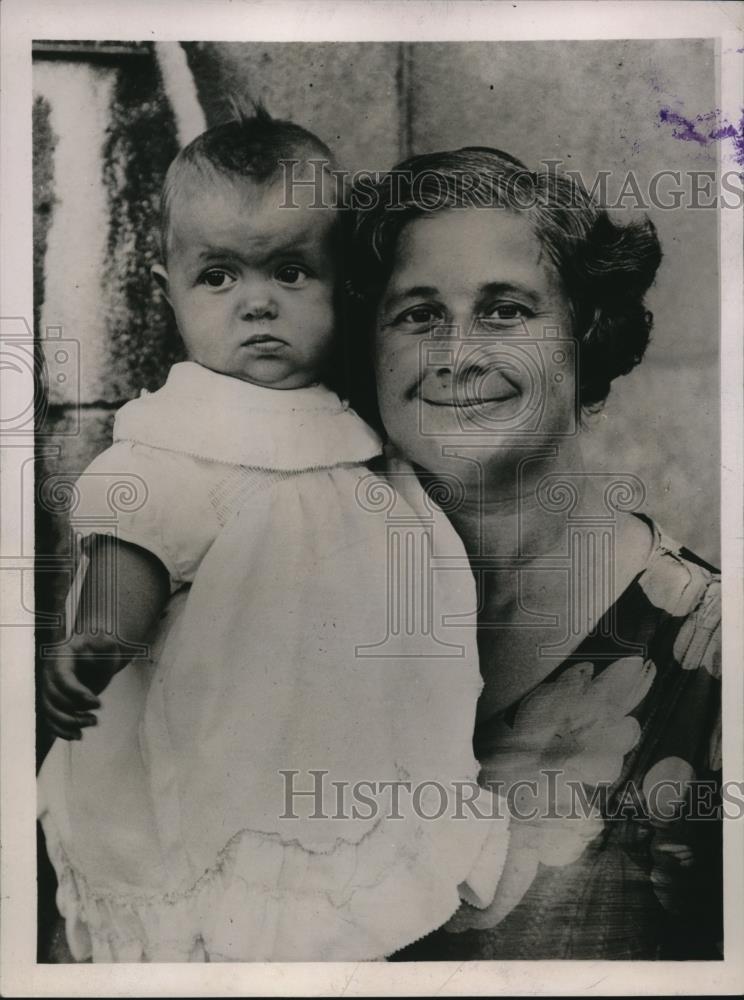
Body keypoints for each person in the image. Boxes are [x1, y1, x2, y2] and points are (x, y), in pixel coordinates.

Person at [37, 116, 509, 963]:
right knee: (246, 901)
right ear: (166, 289)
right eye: (217, 276)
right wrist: (99, 640)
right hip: (238, 761)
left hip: (335, 734)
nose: (257, 302)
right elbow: (134, 545)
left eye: (292, 271)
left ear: (345, 287)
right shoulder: (177, 441)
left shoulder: (351, 428)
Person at [349, 147, 723, 960]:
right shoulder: (288, 619)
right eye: (417, 313)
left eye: (506, 311)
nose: (457, 351)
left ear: (588, 336)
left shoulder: (715, 651)